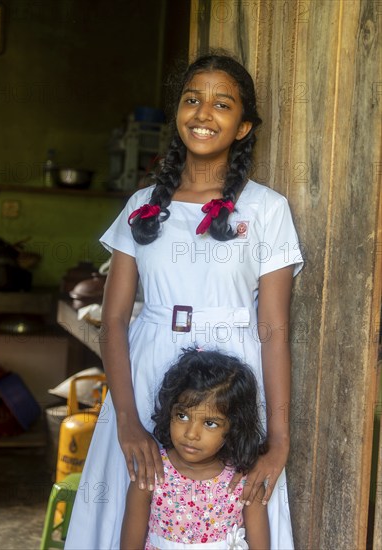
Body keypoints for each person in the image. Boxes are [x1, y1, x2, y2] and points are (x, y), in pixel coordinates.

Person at [65, 52, 303, 550]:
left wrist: (278, 440)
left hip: (234, 375)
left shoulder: (266, 209)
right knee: (134, 496)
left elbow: (275, 330)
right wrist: (128, 421)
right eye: (192, 100)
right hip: (148, 367)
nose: (203, 113)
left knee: (239, 501)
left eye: (222, 104)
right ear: (178, 113)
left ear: (243, 127)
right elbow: (112, 321)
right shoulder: (143, 206)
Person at [121, 348, 270, 550]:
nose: (191, 434)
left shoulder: (245, 482)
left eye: (210, 423)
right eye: (182, 416)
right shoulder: (151, 474)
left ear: (234, 426)